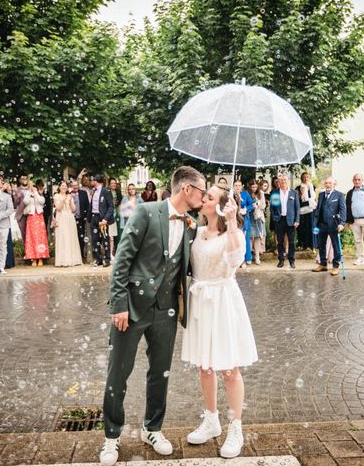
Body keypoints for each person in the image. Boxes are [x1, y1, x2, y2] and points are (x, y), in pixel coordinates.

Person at [100, 166, 206, 466]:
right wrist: (118, 305)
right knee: (117, 373)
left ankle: (152, 428)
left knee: (160, 373)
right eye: (201, 191)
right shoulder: (146, 212)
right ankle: (111, 437)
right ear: (186, 189)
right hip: (132, 307)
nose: (202, 196)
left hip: (167, 309)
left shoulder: (191, 225)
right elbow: (122, 259)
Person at [181, 185, 258, 459]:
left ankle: (235, 427)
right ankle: (211, 419)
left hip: (223, 301)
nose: (203, 199)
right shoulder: (198, 232)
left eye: (209, 197)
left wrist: (232, 220)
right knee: (205, 367)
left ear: (221, 205)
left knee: (229, 369)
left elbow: (237, 258)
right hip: (201, 301)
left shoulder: (231, 236)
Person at [313, 177, 346, 276]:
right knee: (321, 245)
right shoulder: (321, 194)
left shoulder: (339, 195)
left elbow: (343, 210)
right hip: (321, 224)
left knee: (336, 246)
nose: (328, 185)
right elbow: (319, 209)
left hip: (334, 224)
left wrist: (342, 223)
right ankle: (323, 264)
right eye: (326, 183)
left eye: (330, 183)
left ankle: (335, 266)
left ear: (334, 184)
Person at [270, 174, 301, 269]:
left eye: (285, 180)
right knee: (279, 242)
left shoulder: (293, 192)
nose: (283, 182)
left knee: (291, 242)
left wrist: (297, 220)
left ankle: (291, 260)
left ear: (287, 181)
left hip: (291, 220)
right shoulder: (275, 193)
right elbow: (272, 207)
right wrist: (275, 218)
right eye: (281, 180)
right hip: (279, 220)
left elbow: (297, 208)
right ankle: (281, 260)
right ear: (278, 182)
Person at [53, 180, 82, 267]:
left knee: (71, 237)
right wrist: (64, 199)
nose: (64, 187)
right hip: (61, 218)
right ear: (59, 187)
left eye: (65, 186)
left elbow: (73, 209)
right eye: (62, 186)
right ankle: (63, 260)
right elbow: (58, 208)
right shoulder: (56, 196)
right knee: (63, 237)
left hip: (70, 218)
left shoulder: (70, 196)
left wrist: (70, 201)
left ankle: (73, 259)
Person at [88, 174, 115, 267]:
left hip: (102, 218)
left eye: (92, 180)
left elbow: (111, 207)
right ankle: (98, 259)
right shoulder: (94, 191)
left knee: (105, 238)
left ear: (96, 181)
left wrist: (105, 219)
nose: (91, 182)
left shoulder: (106, 191)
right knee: (95, 239)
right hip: (93, 217)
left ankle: (107, 259)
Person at [24, 181, 50, 266]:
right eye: (30, 186)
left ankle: (40, 258)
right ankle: (33, 258)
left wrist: (35, 193)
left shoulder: (39, 194)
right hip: (31, 217)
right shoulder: (27, 194)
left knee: (40, 237)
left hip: (39, 217)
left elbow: (42, 202)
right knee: (31, 237)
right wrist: (29, 193)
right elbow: (25, 202)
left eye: (33, 186)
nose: (32, 188)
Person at [233, 180, 253, 266]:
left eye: (239, 185)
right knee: (236, 240)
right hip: (234, 219)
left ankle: (247, 258)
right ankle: (238, 260)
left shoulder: (246, 194)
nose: (237, 187)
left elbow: (251, 205)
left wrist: (246, 209)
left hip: (244, 219)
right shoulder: (231, 195)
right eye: (236, 185)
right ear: (233, 186)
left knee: (245, 239)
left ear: (242, 186)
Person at [296, 172, 317, 250]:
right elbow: (297, 199)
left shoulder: (312, 186)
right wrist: (301, 192)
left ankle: (311, 245)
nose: (305, 179)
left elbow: (315, 198)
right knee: (302, 227)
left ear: (309, 178)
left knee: (310, 226)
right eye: (304, 177)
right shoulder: (298, 187)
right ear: (301, 178)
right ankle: (303, 244)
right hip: (302, 209)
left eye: (307, 177)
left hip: (311, 208)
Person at [71, 180, 90, 263]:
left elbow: (87, 205)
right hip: (71, 219)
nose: (75, 187)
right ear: (71, 186)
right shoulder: (69, 194)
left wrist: (86, 216)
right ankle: (73, 254)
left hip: (81, 219)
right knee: (72, 236)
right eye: (73, 185)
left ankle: (81, 255)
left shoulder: (83, 193)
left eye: (76, 185)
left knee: (81, 236)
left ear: (78, 185)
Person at [248, 179, 266, 265]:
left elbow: (263, 206)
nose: (254, 188)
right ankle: (249, 256)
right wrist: (251, 206)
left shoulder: (261, 193)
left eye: (255, 186)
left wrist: (258, 204)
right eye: (252, 187)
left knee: (258, 237)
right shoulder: (248, 193)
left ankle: (257, 257)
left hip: (258, 217)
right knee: (251, 237)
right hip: (250, 216)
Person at [1, 182, 16, 269]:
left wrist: (9, 192)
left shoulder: (7, 195)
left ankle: (9, 262)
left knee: (7, 241)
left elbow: (12, 206)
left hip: (5, 219)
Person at [13, 174, 30, 244]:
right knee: (23, 232)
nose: (24, 180)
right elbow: (15, 204)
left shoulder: (31, 188)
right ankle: (26, 250)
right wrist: (18, 197)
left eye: (26, 178)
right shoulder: (17, 190)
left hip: (31, 213)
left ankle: (31, 251)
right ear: (20, 180)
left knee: (31, 233)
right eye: (23, 179)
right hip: (21, 214)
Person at [108, 178, 122, 257]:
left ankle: (117, 250)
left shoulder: (118, 193)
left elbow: (120, 203)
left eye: (114, 183)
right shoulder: (107, 192)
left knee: (118, 234)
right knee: (111, 235)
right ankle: (110, 252)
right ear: (109, 184)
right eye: (112, 183)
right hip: (110, 215)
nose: (113, 184)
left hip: (117, 214)